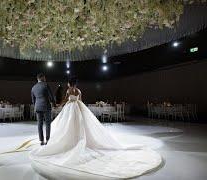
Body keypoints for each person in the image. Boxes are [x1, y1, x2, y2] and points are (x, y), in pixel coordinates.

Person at [29, 77, 162, 179]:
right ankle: (79, 138)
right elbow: (80, 100)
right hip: (78, 108)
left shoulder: (69, 90)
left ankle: (64, 140)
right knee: (80, 124)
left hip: (70, 108)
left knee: (66, 124)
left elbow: (66, 100)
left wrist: (60, 105)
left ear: (69, 84)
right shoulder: (79, 90)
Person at [31, 73, 56, 146]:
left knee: (39, 124)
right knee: (48, 123)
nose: (45, 79)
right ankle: (47, 140)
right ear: (42, 78)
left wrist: (36, 105)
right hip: (46, 106)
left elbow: (33, 100)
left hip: (37, 107)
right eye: (44, 78)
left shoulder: (33, 87)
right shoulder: (46, 85)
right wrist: (54, 104)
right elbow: (51, 96)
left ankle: (41, 141)